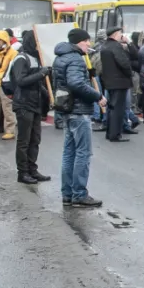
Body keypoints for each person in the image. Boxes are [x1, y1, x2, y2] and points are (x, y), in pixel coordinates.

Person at [53, 28, 105, 207]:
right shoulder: (75, 59)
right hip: (79, 110)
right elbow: (76, 83)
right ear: (78, 42)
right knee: (83, 153)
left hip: (66, 108)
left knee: (69, 153)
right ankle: (79, 194)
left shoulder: (60, 57)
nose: (89, 44)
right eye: (86, 41)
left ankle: (67, 194)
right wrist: (97, 96)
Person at [6, 30, 52, 185]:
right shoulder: (21, 58)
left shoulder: (36, 58)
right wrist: (41, 74)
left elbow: (37, 83)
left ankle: (32, 169)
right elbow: (21, 80)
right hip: (24, 103)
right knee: (24, 140)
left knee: (35, 139)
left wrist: (46, 95)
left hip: (35, 103)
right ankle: (23, 172)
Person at [99, 25, 134, 142]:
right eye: (120, 33)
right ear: (115, 34)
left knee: (111, 108)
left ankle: (110, 133)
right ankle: (115, 134)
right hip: (120, 82)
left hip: (109, 81)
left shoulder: (105, 46)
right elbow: (123, 63)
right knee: (118, 109)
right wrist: (130, 73)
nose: (121, 35)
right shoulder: (116, 46)